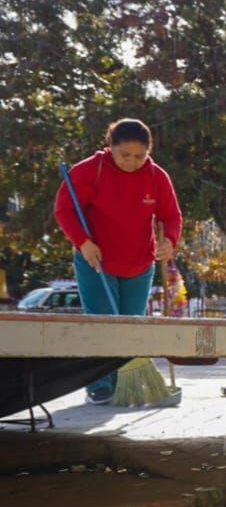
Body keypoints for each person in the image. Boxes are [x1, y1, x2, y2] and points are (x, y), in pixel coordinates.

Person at [54, 118, 182, 404]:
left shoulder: (157, 176)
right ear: (110, 146)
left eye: (139, 156)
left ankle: (126, 382)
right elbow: (65, 209)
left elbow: (171, 216)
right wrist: (82, 242)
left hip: (140, 262)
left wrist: (169, 241)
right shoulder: (89, 170)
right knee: (103, 323)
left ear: (149, 152)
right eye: (125, 155)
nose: (132, 162)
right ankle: (100, 385)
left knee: (130, 325)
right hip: (96, 259)